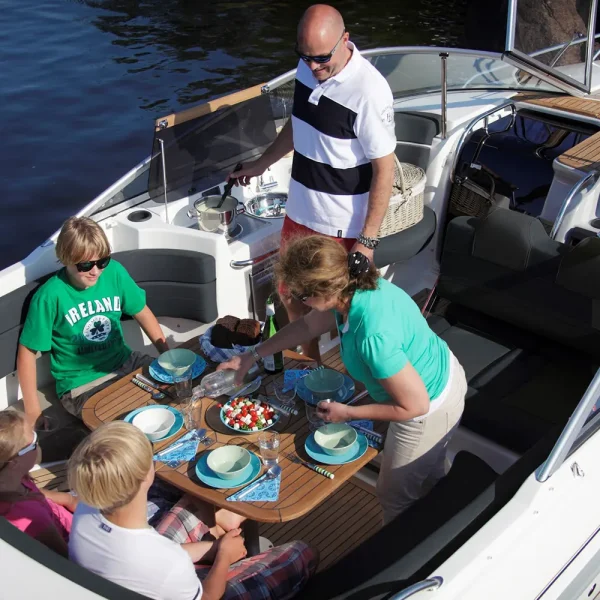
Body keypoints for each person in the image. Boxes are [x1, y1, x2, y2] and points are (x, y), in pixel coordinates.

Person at [219, 236, 467, 524]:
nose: (298, 302)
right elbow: (306, 326)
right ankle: (448, 521)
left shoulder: (372, 336)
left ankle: (409, 550)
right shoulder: (355, 286)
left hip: (430, 406)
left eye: (301, 296)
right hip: (441, 372)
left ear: (323, 291)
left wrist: (347, 413)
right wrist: (252, 355)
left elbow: (415, 406)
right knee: (432, 476)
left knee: (394, 496)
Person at [229, 4, 396, 362]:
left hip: (341, 225)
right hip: (300, 211)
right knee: (290, 294)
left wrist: (367, 241)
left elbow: (385, 169)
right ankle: (310, 364)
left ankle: (354, 378)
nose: (313, 66)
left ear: (345, 40)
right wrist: (261, 163)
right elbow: (300, 122)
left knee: (342, 309)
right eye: (305, 57)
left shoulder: (370, 91)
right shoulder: (307, 69)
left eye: (322, 58)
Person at [68, 421, 318, 600]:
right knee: (303, 552)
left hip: (138, 574)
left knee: (193, 500)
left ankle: (225, 523)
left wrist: (213, 547)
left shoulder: (86, 512)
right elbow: (208, 595)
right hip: (195, 590)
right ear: (146, 475)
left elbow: (159, 554)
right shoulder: (169, 563)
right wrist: (223, 558)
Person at [17, 216, 169, 426]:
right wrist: (33, 412)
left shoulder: (114, 272)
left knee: (175, 390)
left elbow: (141, 311)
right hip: (82, 384)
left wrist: (168, 357)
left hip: (126, 361)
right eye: (86, 265)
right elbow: (27, 352)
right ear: (66, 259)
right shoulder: (50, 296)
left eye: (102, 261)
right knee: (127, 426)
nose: (95, 271)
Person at [0, 409, 77, 556]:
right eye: (34, 442)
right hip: (73, 538)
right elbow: (67, 558)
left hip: (64, 513)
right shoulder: (34, 518)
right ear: (14, 462)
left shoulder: (12, 479)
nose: (38, 443)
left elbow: (36, 493)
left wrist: (69, 499)